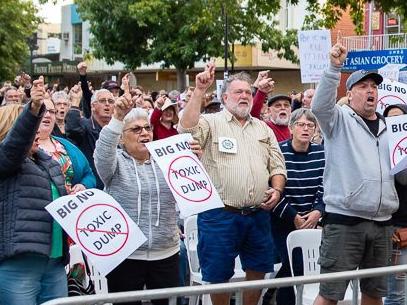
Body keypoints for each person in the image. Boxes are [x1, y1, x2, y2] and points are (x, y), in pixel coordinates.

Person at [178, 64, 286, 305]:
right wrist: (198, 91)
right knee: (218, 275)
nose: (244, 96)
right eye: (238, 92)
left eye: (248, 92)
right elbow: (185, 128)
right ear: (224, 97)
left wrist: (277, 190)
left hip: (258, 215)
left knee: (258, 270)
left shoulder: (263, 128)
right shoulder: (210, 122)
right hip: (220, 214)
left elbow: (278, 167)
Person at [311, 41, 407, 305]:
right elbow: (319, 107)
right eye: (363, 86)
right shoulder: (338, 120)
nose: (370, 91)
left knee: (374, 294)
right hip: (344, 222)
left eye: (374, 87)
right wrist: (333, 68)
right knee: (329, 295)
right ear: (350, 94)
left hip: (383, 224)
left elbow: (403, 177)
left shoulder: (391, 129)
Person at [94, 95, 201, 305]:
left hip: (166, 252)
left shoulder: (167, 160)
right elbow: (103, 152)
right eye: (135, 129)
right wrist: (116, 118)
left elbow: (192, 188)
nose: (144, 133)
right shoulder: (114, 166)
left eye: (147, 128)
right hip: (126, 255)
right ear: (121, 137)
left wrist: (195, 160)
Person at [0, 77, 69, 305]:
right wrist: (33, 109)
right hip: (20, 263)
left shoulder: (47, 161)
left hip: (55, 260)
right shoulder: (6, 160)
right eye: (32, 126)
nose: (38, 131)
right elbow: (15, 145)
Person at [270, 108, 325, 305]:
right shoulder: (278, 151)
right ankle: (278, 298)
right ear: (291, 128)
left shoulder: (322, 153)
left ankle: (271, 296)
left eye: (310, 125)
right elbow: (274, 189)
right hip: (283, 221)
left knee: (308, 266)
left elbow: (325, 186)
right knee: (294, 264)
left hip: (313, 220)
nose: (305, 129)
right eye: (301, 125)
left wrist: (317, 212)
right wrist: (294, 216)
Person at [38, 97, 96, 193]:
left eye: (52, 112)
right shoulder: (23, 147)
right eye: (42, 110)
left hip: (69, 206)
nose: (48, 114)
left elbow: (88, 174)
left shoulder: (65, 145)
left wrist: (83, 185)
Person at [65, 88, 115, 189]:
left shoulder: (116, 130)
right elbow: (72, 129)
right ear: (92, 106)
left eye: (110, 101)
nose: (107, 104)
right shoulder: (85, 126)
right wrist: (75, 103)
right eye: (102, 101)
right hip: (92, 186)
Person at [383, 104, 407, 305]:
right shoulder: (384, 148)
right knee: (396, 293)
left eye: (400, 118)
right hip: (398, 230)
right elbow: (403, 178)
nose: (395, 123)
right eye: (390, 119)